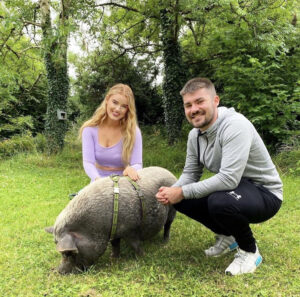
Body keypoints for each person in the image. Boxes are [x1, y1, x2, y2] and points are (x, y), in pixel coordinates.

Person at [156, 77, 283, 276]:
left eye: (199, 101)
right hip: (237, 189)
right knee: (181, 199)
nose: (193, 109)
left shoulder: (235, 125)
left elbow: (228, 179)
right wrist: (172, 192)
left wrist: (181, 191)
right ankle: (228, 236)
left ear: (215, 101)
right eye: (188, 105)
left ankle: (250, 251)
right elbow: (191, 173)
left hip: (265, 192)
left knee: (219, 201)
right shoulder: (194, 135)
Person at [79, 83, 142, 182]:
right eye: (115, 102)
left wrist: (132, 169)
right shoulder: (89, 129)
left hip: (123, 183)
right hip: (97, 183)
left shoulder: (133, 132)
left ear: (128, 110)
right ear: (107, 99)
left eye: (124, 106)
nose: (117, 109)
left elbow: (138, 164)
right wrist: (98, 181)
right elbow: (88, 163)